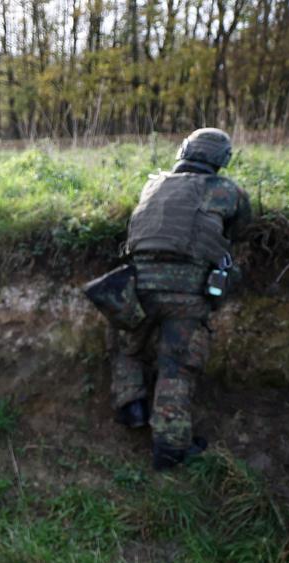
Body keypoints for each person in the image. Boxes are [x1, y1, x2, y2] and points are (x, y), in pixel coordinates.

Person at [112, 128, 252, 470]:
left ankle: (131, 406)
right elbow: (241, 231)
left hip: (138, 285)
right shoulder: (228, 192)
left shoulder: (153, 184)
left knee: (127, 344)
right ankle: (170, 450)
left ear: (184, 151)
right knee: (176, 367)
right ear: (221, 160)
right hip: (188, 293)